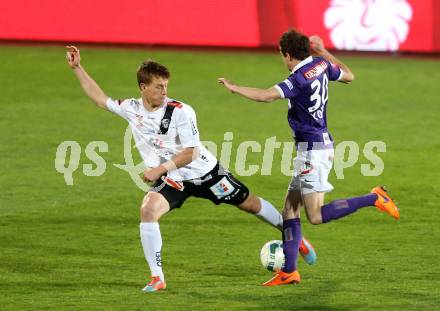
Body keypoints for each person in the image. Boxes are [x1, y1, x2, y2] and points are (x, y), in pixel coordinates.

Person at [65, 45, 317, 293]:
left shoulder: (181, 112)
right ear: (143, 88)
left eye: (166, 86)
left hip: (205, 174)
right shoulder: (131, 108)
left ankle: (295, 237)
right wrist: (78, 68)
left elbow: (191, 152)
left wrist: (157, 170)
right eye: (158, 87)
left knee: (250, 203)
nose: (164, 91)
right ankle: (157, 277)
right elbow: (100, 99)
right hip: (175, 180)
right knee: (148, 211)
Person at [218, 29, 400, 286]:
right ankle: (289, 271)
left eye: (283, 56)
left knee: (315, 216)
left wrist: (235, 88)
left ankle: (375, 197)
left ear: (288, 55)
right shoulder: (321, 64)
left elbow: (267, 95)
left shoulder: (298, 79)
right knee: (290, 209)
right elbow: (349, 76)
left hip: (313, 152)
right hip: (314, 147)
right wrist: (323, 50)